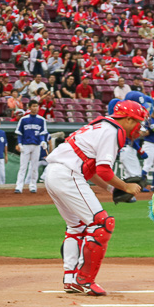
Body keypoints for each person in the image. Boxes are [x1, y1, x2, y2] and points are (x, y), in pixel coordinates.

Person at [43, 100, 145, 296]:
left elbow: (92, 170)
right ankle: (85, 280)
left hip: (54, 173)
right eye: (138, 121)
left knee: (76, 226)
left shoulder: (101, 126)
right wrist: (125, 186)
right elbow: (104, 170)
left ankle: (71, 278)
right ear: (128, 119)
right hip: (68, 174)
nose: (139, 126)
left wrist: (111, 189)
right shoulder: (114, 131)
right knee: (102, 224)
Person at [14, 101, 48, 194]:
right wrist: (19, 143)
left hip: (36, 146)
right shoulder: (23, 119)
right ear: (29, 107)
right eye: (33, 106)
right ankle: (19, 186)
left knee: (34, 167)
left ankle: (33, 186)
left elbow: (42, 133)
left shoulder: (41, 120)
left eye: (36, 106)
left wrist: (43, 141)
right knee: (23, 167)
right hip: (26, 145)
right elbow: (19, 133)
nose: (35, 108)